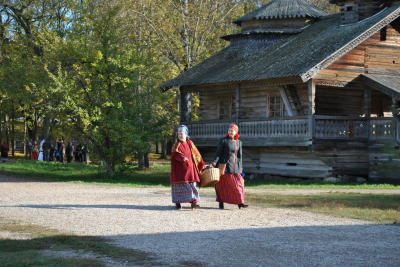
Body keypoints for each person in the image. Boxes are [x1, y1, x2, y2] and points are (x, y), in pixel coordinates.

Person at [209, 123, 248, 209]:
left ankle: (240, 202)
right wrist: (214, 163)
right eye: (229, 130)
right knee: (222, 185)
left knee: (240, 184)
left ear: (236, 132)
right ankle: (221, 202)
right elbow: (218, 153)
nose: (230, 132)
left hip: (235, 167)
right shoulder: (223, 140)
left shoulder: (239, 142)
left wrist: (240, 167)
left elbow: (239, 157)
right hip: (224, 166)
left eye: (232, 130)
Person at [170, 125, 205, 210]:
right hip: (179, 170)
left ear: (186, 134)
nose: (180, 136)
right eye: (179, 134)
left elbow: (197, 154)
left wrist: (201, 163)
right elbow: (174, 155)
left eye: (182, 134)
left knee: (192, 185)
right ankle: (178, 203)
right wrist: (182, 158)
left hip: (190, 170)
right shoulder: (176, 145)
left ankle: (194, 203)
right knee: (179, 186)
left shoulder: (190, 144)